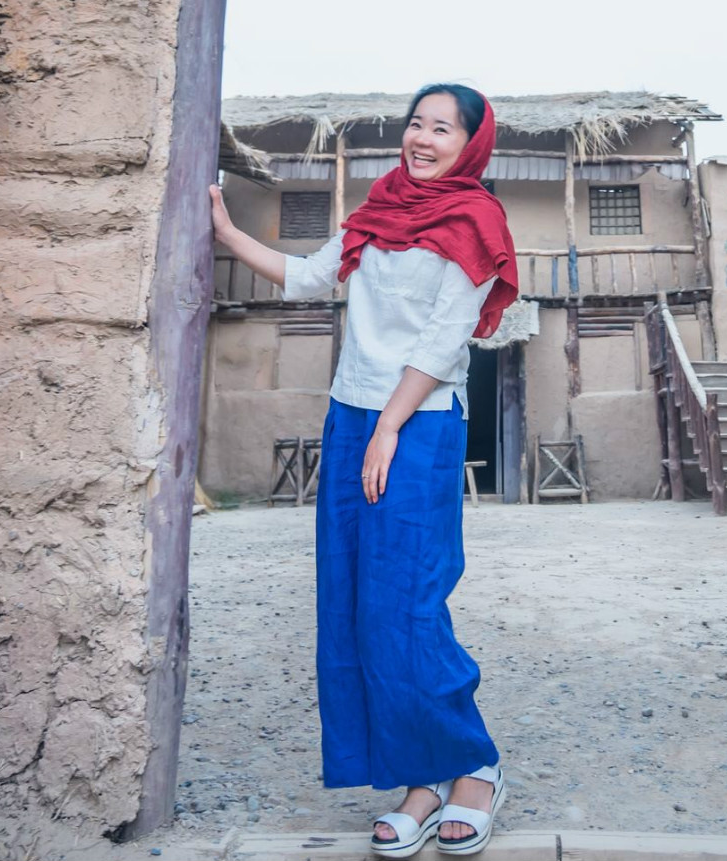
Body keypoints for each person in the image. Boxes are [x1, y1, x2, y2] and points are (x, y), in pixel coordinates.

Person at [209, 83, 518, 857]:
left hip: (418, 420)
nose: (422, 137)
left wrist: (388, 427)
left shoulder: (476, 220)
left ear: (470, 144)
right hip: (351, 416)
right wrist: (227, 232)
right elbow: (310, 277)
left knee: (409, 600)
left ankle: (475, 763)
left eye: (441, 127)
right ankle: (421, 775)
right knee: (355, 602)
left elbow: (446, 338)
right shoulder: (379, 209)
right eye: (416, 123)